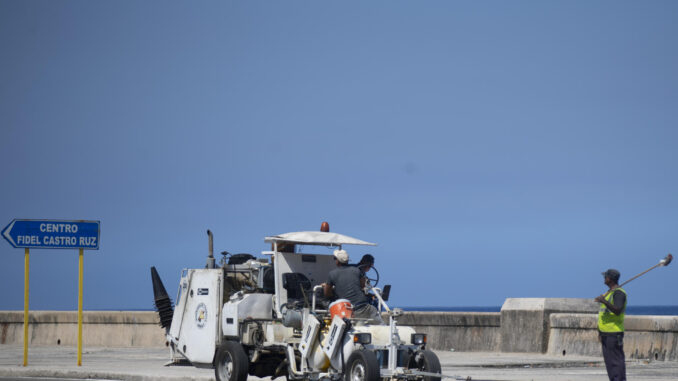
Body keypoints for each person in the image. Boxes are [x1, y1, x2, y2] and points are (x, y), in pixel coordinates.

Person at [324, 249, 384, 325]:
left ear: (337, 261)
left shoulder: (332, 274)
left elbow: (327, 293)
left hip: (346, 308)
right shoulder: (357, 271)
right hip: (363, 306)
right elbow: (363, 287)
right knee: (379, 321)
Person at [594, 269, 627, 381]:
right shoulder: (610, 293)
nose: (604, 278)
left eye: (606, 277)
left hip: (614, 334)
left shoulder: (619, 293)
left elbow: (617, 310)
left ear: (610, 279)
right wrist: (600, 331)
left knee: (616, 363)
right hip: (605, 334)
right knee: (610, 364)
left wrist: (604, 301)